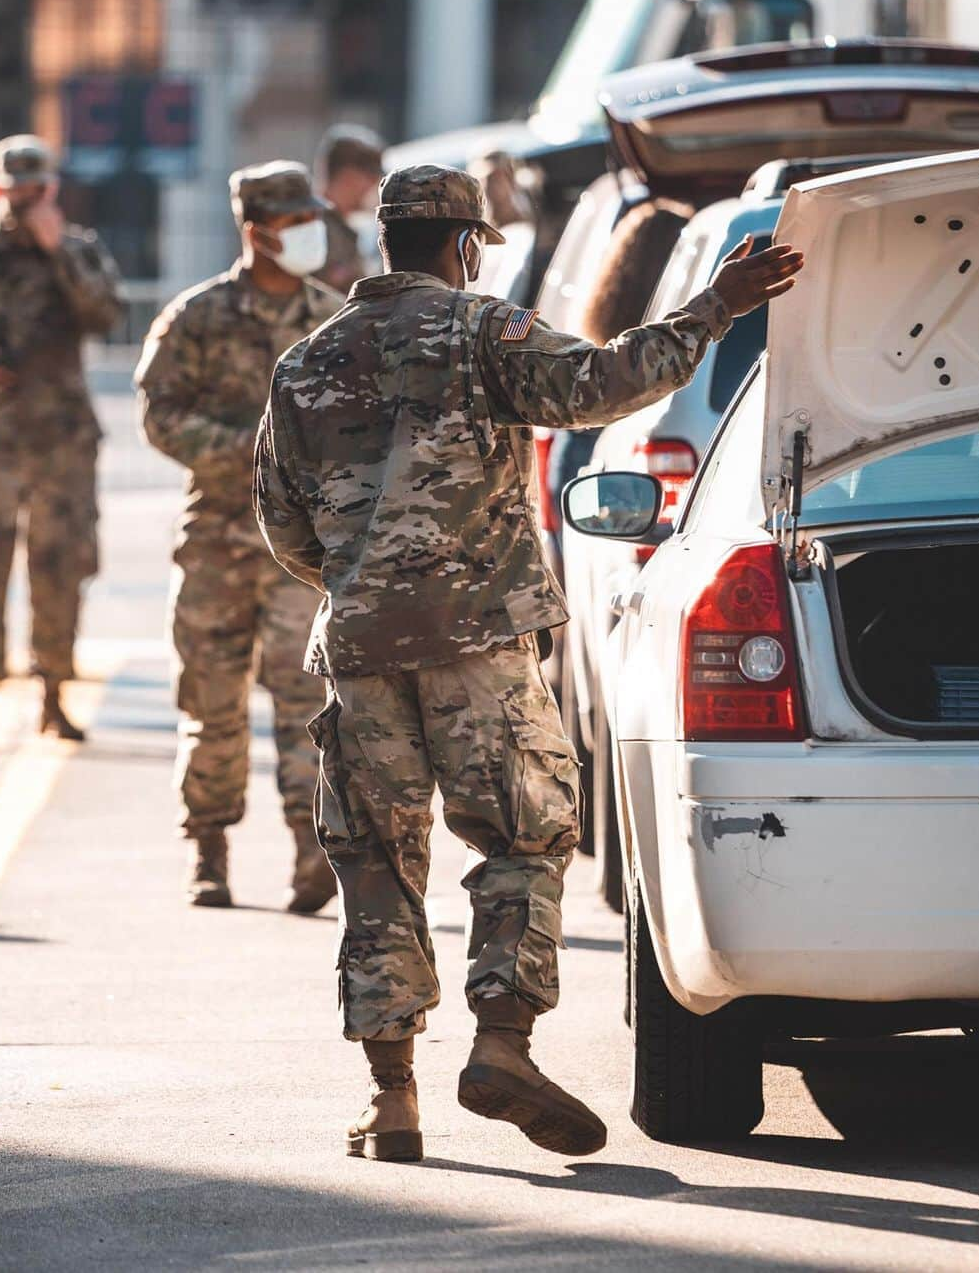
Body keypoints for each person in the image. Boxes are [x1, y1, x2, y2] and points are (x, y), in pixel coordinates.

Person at [253, 164, 803, 1163]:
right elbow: (605, 386)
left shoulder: (304, 363)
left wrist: (365, 585)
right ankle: (502, 1044)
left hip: (360, 649)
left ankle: (391, 1103)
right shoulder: (482, 330)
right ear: (464, 244)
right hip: (476, 644)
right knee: (523, 838)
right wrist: (716, 306)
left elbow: (283, 523)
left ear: (387, 244)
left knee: (377, 865)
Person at [135, 161, 342, 912]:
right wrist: (249, 449)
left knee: (306, 702)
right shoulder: (199, 315)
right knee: (212, 702)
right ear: (256, 232)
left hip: (302, 552)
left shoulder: (331, 317)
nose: (310, 233)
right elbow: (159, 415)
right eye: (294, 223)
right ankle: (210, 849)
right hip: (217, 540)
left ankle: (310, 850)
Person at [0, 134, 123, 747]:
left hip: (62, 439)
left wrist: (56, 250)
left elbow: (107, 317)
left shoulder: (78, 252)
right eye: (16, 193)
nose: (26, 202)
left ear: (53, 190)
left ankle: (55, 694)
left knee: (61, 566)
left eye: (37, 192)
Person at [312, 124, 384, 293]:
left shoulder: (340, 228)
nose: (375, 189)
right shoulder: (315, 227)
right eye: (372, 179)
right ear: (349, 176)